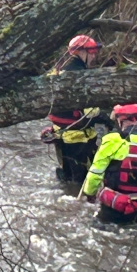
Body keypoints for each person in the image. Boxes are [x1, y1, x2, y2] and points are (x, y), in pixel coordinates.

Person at [41, 35, 109, 182]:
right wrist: (106, 118)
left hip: (60, 132)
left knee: (68, 173)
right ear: (81, 53)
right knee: (83, 177)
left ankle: (66, 191)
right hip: (79, 136)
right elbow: (90, 112)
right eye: (91, 52)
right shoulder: (81, 75)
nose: (93, 56)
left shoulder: (58, 69)